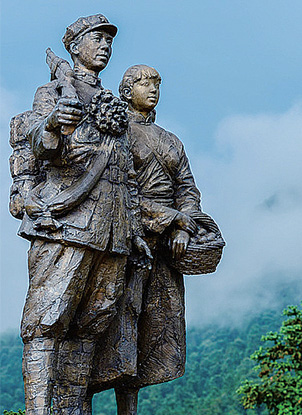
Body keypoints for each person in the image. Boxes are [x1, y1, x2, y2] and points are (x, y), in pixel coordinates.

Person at [15, 14, 150, 415]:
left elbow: (126, 170)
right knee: (46, 322)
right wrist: (53, 123)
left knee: (91, 326)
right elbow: (39, 143)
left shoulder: (112, 103)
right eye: (97, 38)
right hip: (67, 223)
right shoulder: (52, 91)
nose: (105, 45)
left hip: (114, 229)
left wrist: (134, 229)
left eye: (109, 40)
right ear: (75, 47)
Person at [87, 64, 203, 414]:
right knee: (113, 325)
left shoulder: (171, 140)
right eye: (144, 83)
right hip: (125, 240)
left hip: (165, 248)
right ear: (126, 91)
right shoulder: (116, 134)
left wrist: (183, 227)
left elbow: (188, 190)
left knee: (153, 328)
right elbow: (120, 189)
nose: (152, 89)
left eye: (156, 83)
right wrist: (171, 218)